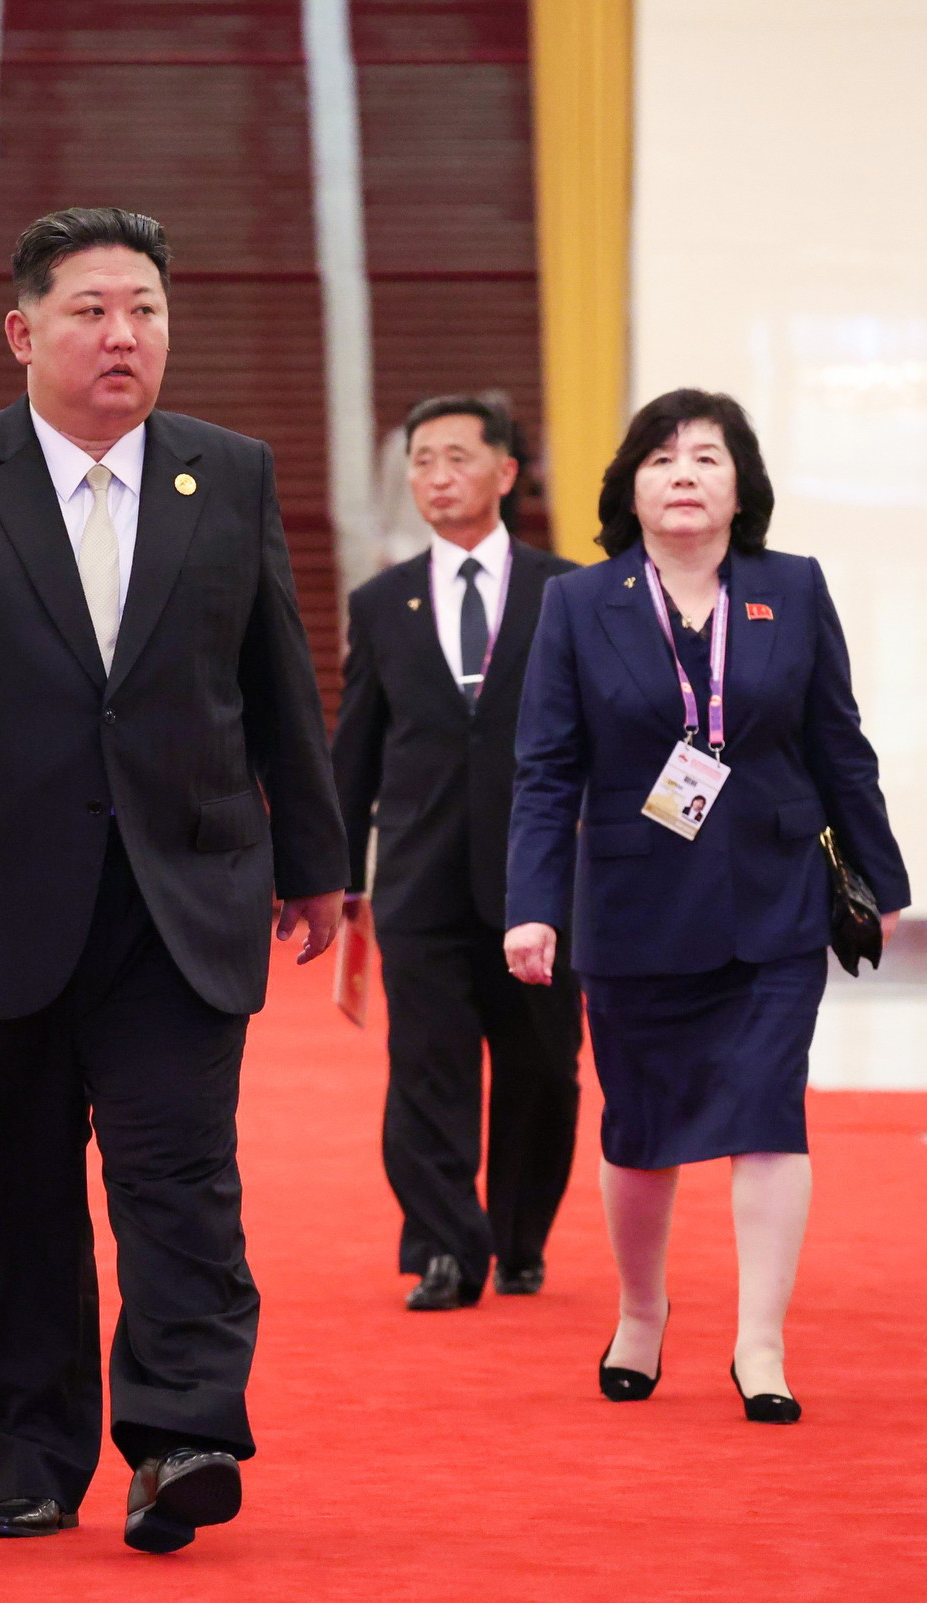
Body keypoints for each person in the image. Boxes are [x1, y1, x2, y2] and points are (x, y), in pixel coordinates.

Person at [0, 208, 342, 1551]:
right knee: (7, 1185)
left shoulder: (227, 472)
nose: (124, 335)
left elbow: (276, 674)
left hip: (182, 891)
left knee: (181, 1173)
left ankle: (182, 1435)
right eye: (93, 309)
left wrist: (318, 859)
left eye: (146, 309)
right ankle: (20, 1452)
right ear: (22, 330)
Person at [504, 388, 907, 1424]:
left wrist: (880, 880)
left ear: (742, 487)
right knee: (640, 1128)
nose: (683, 474)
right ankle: (641, 1312)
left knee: (769, 1111)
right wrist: (531, 903)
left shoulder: (792, 588)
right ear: (629, 488)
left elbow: (839, 742)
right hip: (633, 903)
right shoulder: (579, 603)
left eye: (707, 458)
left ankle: (760, 1341)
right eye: (661, 458)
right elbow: (546, 768)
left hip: (776, 899)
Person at [332, 393, 583, 1312]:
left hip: (540, 883)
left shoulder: (569, 592)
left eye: (457, 458)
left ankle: (520, 1238)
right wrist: (332, 873)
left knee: (542, 1070)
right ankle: (443, 1244)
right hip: (420, 878)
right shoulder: (382, 603)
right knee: (426, 1068)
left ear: (506, 472)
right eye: (421, 461)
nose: (436, 477)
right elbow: (356, 747)